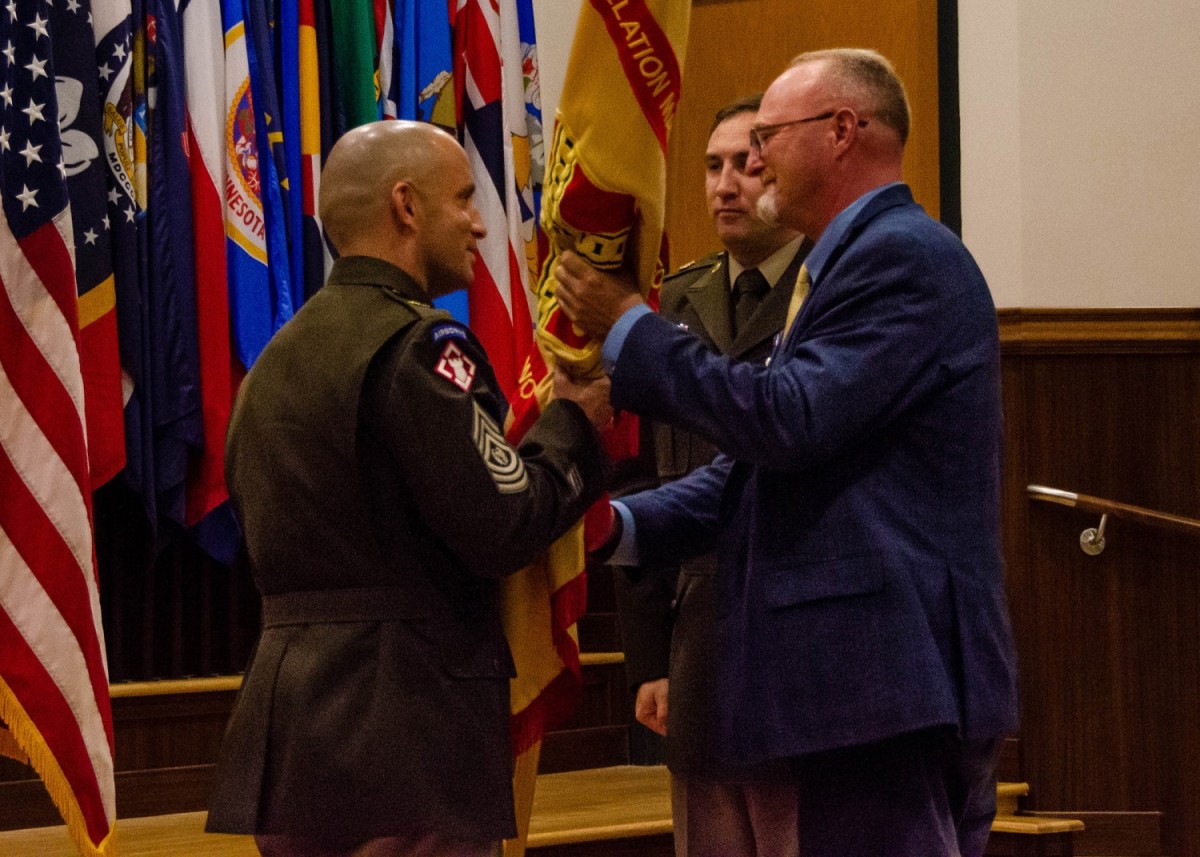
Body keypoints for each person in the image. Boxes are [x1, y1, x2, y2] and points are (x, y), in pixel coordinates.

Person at [557, 49, 1018, 857]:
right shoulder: (845, 263)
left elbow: (786, 418)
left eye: (768, 134)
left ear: (842, 131)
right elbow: (762, 466)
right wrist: (614, 525)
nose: (754, 157)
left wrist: (631, 326)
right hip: (863, 681)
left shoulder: (901, 258)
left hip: (884, 676)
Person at [206, 120, 612, 857]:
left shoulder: (273, 362)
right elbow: (503, 522)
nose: (481, 221)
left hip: (289, 729)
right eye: (462, 198)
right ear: (405, 205)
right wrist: (575, 428)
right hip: (406, 729)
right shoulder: (421, 345)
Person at [614, 93, 808, 857]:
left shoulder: (824, 297)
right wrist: (649, 659)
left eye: (747, 164)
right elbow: (643, 478)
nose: (726, 184)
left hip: (793, 632)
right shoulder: (671, 304)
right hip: (698, 636)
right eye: (712, 166)